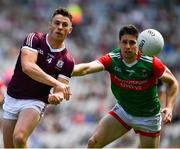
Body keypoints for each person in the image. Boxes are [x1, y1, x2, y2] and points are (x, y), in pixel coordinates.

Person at [72, 24, 179, 148]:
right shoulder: (113, 59)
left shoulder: (151, 63)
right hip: (124, 111)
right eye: (124, 42)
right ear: (119, 43)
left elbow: (173, 83)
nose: (127, 46)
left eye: (132, 43)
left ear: (138, 44)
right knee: (93, 143)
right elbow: (87, 68)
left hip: (148, 117)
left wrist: (170, 107)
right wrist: (64, 69)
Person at [2, 7, 74, 148]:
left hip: (35, 101)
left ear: (70, 30)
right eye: (57, 23)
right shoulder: (34, 39)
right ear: (50, 24)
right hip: (12, 98)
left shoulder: (68, 60)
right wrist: (56, 84)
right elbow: (28, 67)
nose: (60, 27)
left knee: (19, 137)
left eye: (64, 25)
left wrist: (57, 96)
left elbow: (60, 89)